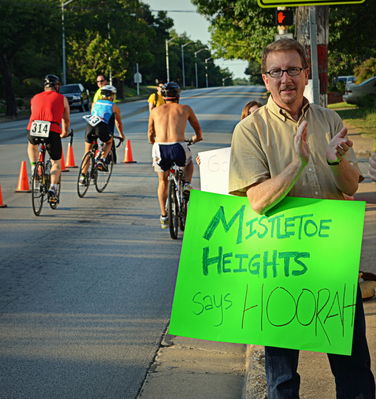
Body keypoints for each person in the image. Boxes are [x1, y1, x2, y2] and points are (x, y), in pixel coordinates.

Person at [229, 38, 375, 399]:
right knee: (282, 380)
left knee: (355, 372)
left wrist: (333, 160)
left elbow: (350, 186)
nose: (285, 79)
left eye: (293, 69)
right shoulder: (250, 130)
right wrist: (297, 164)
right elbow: (258, 201)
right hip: (279, 270)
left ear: (305, 74)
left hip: (333, 265)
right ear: (265, 79)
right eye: (276, 71)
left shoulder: (329, 119)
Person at [147, 82, 203, 229]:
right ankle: (186, 184)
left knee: (162, 181)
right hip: (178, 146)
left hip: (160, 148)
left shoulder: (155, 111)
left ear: (163, 96)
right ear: (178, 95)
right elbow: (197, 129)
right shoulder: (185, 109)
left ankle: (164, 215)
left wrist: (153, 141)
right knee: (189, 163)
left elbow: (150, 133)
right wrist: (197, 138)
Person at [26, 74, 70, 202]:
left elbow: (34, 112)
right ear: (56, 86)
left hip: (33, 128)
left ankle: (34, 167)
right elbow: (66, 119)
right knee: (56, 161)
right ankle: (53, 189)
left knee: (32, 145)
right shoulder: (62, 98)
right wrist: (65, 132)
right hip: (52, 130)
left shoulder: (35, 97)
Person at [80, 85, 124, 180]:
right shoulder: (114, 106)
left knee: (87, 151)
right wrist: (121, 134)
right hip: (101, 126)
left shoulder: (94, 103)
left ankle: (82, 177)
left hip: (89, 125)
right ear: (112, 96)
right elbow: (118, 123)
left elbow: (94, 114)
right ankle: (102, 159)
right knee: (109, 142)